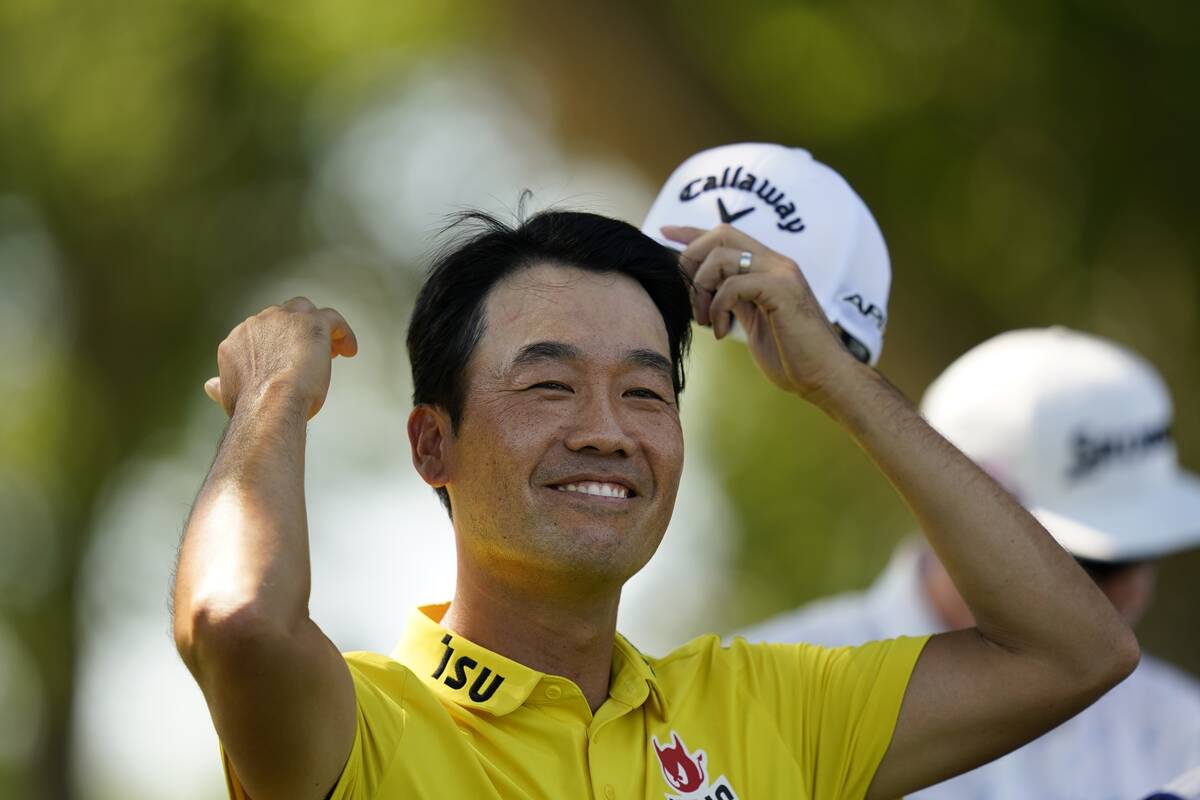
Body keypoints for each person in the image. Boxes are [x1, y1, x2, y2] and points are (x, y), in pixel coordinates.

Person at [172, 199, 1137, 800]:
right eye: (549, 386)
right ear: (434, 443)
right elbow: (238, 620)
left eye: (645, 391)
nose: (608, 430)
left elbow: (1077, 648)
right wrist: (272, 401)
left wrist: (835, 382)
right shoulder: (360, 727)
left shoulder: (771, 709)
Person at [741, 327, 1200, 800]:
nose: (1129, 589)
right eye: (1086, 564)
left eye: (1143, 553)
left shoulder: (1181, 732)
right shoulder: (763, 703)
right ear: (953, 518)